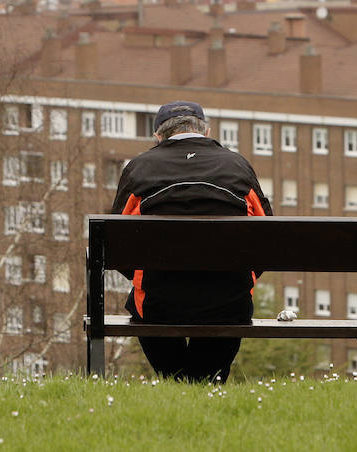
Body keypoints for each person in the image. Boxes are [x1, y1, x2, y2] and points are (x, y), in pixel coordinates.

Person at [109, 100, 272, 383]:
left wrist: (148, 273)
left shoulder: (139, 168)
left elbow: (116, 246)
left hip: (160, 301)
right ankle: (205, 382)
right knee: (228, 303)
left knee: (142, 301)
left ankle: (178, 382)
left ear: (158, 136)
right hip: (228, 302)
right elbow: (267, 240)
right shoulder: (237, 166)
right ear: (206, 131)